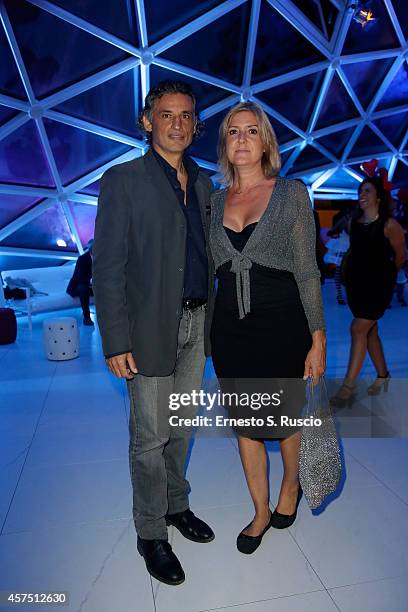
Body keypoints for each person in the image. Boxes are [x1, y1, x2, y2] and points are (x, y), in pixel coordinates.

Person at [92, 80, 215, 586]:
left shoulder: (204, 183)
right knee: (148, 437)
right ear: (147, 121)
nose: (178, 124)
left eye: (186, 116)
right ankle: (150, 532)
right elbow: (108, 266)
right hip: (147, 331)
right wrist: (116, 340)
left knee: (181, 427)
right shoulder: (123, 180)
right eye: (167, 115)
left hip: (197, 324)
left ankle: (175, 506)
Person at [209, 101, 326, 554]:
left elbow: (308, 271)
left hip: (283, 326)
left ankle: (290, 488)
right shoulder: (214, 201)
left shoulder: (291, 193)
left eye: (251, 131)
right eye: (233, 132)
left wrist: (317, 336)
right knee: (246, 425)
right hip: (231, 332)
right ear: (224, 144)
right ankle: (259, 511)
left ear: (266, 142)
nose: (241, 139)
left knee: (286, 420)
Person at [330, 176, 406, 406]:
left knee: (357, 329)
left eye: (367, 191)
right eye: (360, 191)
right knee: (370, 332)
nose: (362, 195)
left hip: (378, 286)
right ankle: (383, 376)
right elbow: (351, 248)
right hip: (356, 286)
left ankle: (348, 387)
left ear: (379, 197)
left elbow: (401, 255)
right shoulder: (355, 221)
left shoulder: (389, 225)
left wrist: (387, 279)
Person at [66, 239, 94, 325]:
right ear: (91, 249)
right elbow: (79, 277)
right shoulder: (82, 259)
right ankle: (87, 317)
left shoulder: (102, 259)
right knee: (83, 288)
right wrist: (92, 281)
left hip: (93, 286)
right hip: (77, 286)